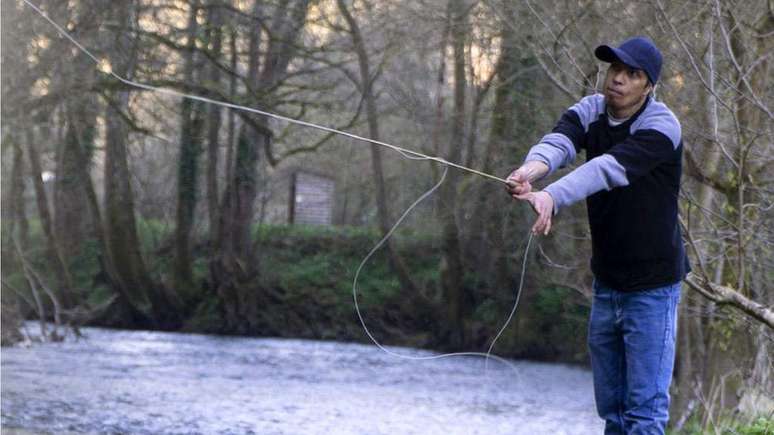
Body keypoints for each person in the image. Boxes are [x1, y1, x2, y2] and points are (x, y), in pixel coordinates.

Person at [505, 36, 690, 434]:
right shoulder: (590, 110)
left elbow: (607, 169)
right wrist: (530, 172)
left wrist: (552, 196)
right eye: (614, 70)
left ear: (649, 86)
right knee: (613, 411)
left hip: (653, 288)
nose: (618, 79)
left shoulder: (661, 128)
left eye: (631, 74)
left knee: (644, 414)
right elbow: (559, 142)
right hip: (606, 283)